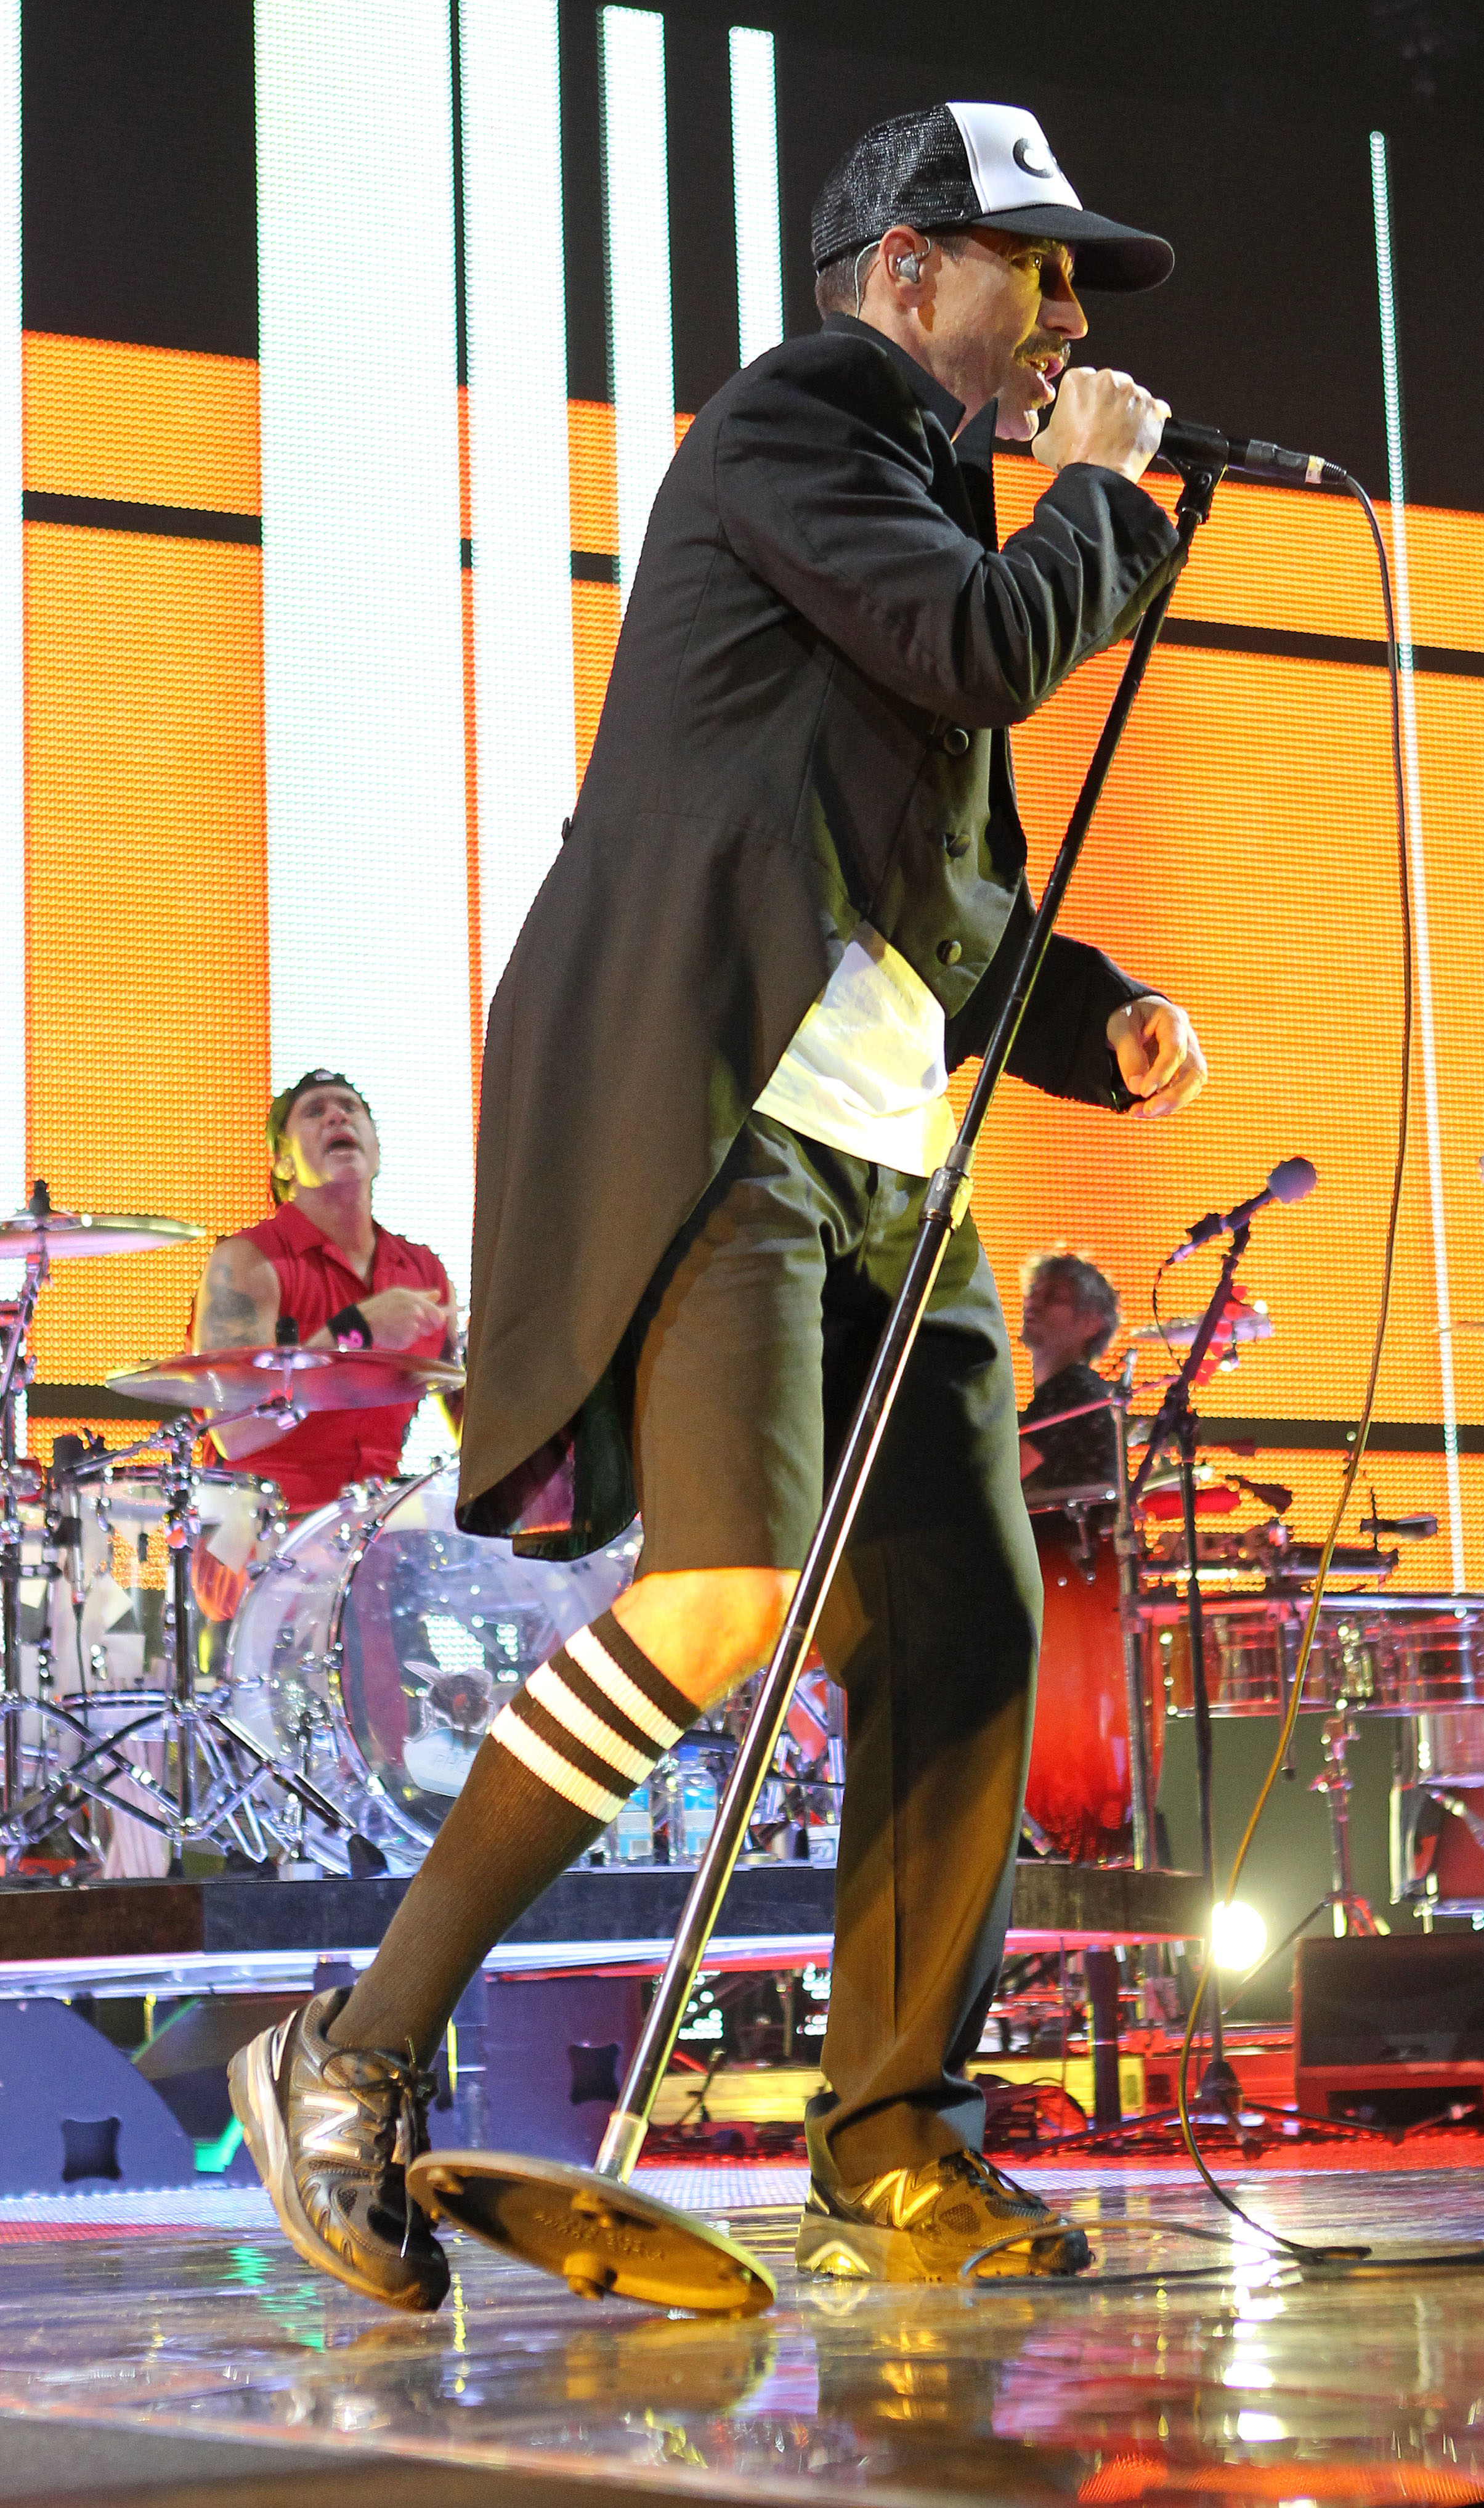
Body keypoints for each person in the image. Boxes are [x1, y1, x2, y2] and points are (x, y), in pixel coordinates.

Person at [231, 101, 1207, 2309]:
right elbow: (979, 647)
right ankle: (353, 2051)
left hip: (876, 1153)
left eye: (1078, 286)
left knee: (960, 1626)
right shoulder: (793, 427)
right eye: (1035, 270)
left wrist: (1094, 1013)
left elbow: (932, 885)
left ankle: (894, 2146)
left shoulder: (931, 513)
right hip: (713, 1112)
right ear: (903, 276)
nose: (1067, 318)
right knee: (722, 1593)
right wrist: (1104, 498)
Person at [191, 1070, 458, 1523]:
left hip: (376, 1530)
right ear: (283, 1162)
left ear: (377, 1150)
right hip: (261, 1530)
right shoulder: (248, 1261)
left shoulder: (424, 1271)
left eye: (349, 1108)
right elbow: (235, 1433)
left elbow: (476, 1426)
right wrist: (354, 1331)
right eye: (315, 1112)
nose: (337, 1116)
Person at [1016, 1250, 1124, 1497]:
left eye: (1053, 1297)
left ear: (1091, 1322)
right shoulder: (1074, 1389)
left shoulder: (1074, 1390)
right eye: (1033, 1292)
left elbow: (997, 1476)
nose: (1033, 1303)